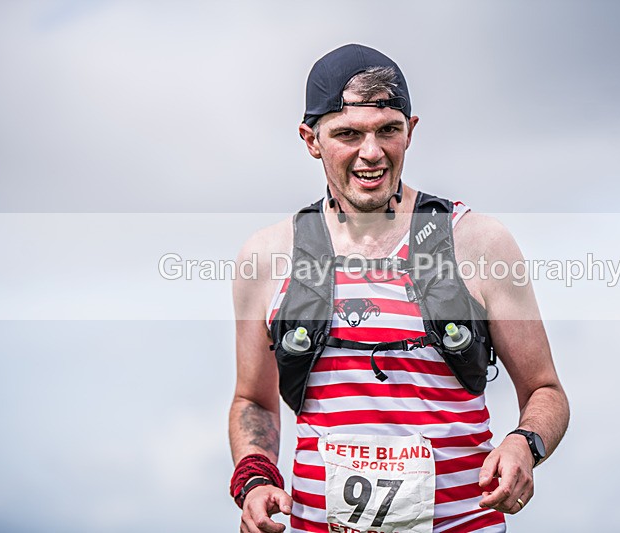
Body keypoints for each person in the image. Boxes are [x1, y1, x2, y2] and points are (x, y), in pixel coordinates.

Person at [228, 44, 569, 533]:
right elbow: (254, 402)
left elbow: (545, 390)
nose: (372, 152)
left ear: (410, 130)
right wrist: (255, 477)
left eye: (388, 129)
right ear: (311, 139)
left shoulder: (477, 242)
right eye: (348, 133)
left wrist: (524, 443)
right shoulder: (266, 256)